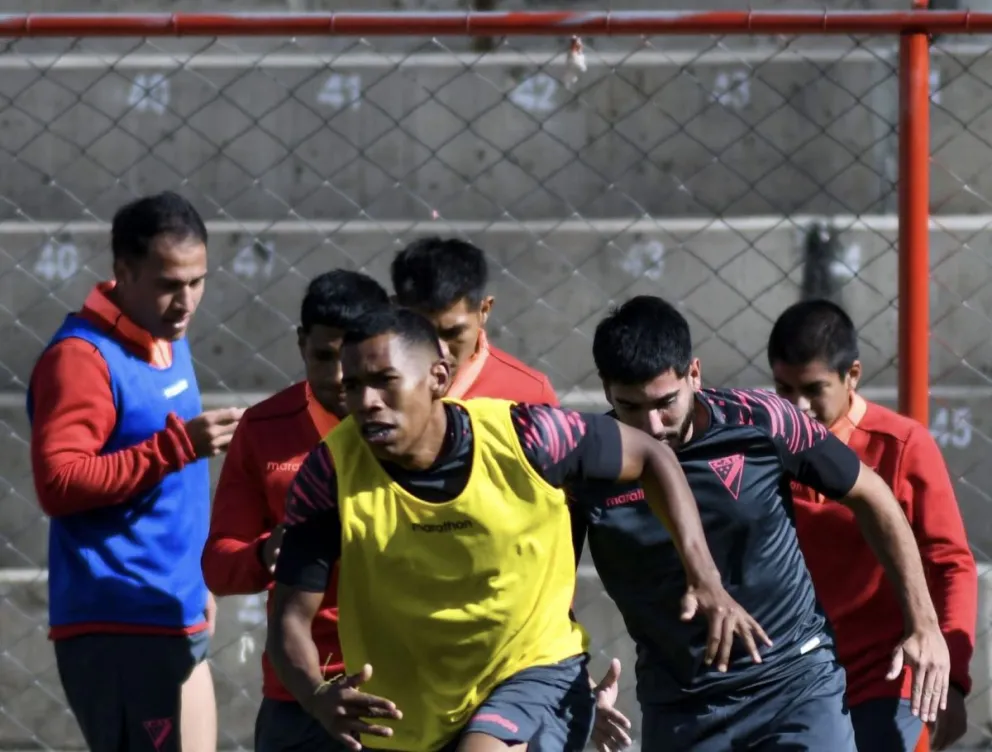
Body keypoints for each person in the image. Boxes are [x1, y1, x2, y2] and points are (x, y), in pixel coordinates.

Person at [267, 305, 767, 752]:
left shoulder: (529, 436)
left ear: (438, 377)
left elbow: (653, 454)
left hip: (533, 669)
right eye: (353, 385)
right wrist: (314, 695)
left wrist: (705, 579)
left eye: (385, 381)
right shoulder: (331, 473)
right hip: (411, 711)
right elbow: (289, 618)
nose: (367, 400)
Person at [569, 295, 951, 752]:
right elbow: (547, 588)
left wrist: (924, 624)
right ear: (606, 390)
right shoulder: (583, 468)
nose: (652, 427)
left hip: (795, 682)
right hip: (683, 704)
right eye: (630, 406)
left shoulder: (762, 422)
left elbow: (873, 496)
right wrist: (575, 687)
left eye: (666, 402)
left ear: (694, 372)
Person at [27, 192, 240, 752]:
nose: (187, 300)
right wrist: (177, 447)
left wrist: (196, 581)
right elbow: (59, 482)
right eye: (170, 283)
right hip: (120, 621)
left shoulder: (168, 336)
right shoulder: (81, 358)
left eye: (198, 281)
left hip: (175, 608)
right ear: (123, 271)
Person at [767, 299, 977, 752]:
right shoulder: (764, 449)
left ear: (853, 376)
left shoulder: (901, 447)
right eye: (784, 390)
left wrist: (953, 680)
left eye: (814, 389)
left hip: (885, 679)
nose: (798, 407)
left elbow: (951, 564)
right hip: (795, 675)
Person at [202, 269, 389, 752]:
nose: (339, 377)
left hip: (409, 685)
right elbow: (220, 566)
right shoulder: (265, 429)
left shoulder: (428, 424)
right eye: (323, 357)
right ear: (301, 343)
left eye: (351, 358)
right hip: (304, 693)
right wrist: (269, 552)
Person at [391, 236, 558, 403]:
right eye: (423, 333)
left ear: (484, 310)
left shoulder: (529, 396)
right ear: (394, 310)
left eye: (453, 333)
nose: (440, 351)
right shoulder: (374, 390)